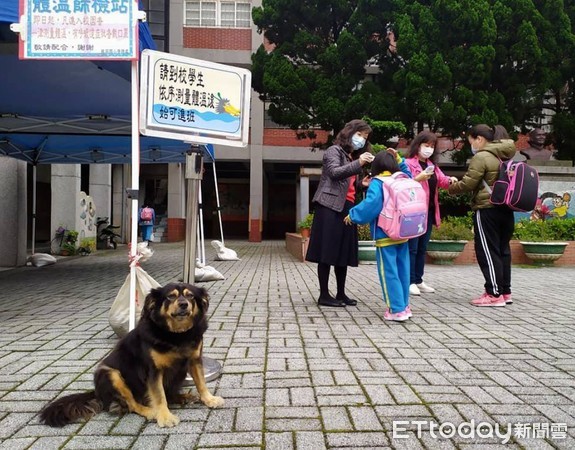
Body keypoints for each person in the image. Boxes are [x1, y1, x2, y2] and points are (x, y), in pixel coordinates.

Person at [306, 119, 375, 308]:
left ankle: (341, 293)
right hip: (329, 206)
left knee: (343, 252)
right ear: (349, 133)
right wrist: (359, 163)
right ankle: (324, 295)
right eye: (359, 135)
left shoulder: (352, 158)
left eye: (365, 137)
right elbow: (335, 173)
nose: (362, 140)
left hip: (347, 207)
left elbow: (349, 185)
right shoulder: (333, 151)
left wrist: (362, 184)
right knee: (327, 250)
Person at [448, 125, 516, 307]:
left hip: (487, 208)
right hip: (507, 209)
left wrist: (450, 187)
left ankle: (493, 293)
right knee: (503, 250)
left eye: (471, 141)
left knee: (487, 251)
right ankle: (505, 292)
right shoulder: (505, 155)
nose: (471, 145)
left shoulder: (482, 156)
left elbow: (469, 183)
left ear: (479, 139)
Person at [345, 150, 413, 321]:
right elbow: (409, 173)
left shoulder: (378, 182)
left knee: (388, 271)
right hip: (403, 232)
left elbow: (371, 205)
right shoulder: (402, 178)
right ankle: (404, 306)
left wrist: (352, 215)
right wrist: (400, 159)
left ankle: (396, 310)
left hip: (386, 234)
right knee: (403, 270)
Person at [404, 131, 458, 296]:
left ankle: (418, 280)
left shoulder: (432, 166)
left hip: (428, 212)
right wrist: (417, 179)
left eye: (432, 146)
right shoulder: (407, 164)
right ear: (418, 145)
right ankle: (410, 281)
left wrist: (450, 180)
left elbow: (442, 181)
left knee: (422, 248)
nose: (429, 149)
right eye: (426, 145)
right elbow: (401, 185)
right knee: (412, 248)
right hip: (413, 213)